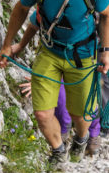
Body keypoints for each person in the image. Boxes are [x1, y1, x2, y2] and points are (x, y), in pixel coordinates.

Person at [0, 0, 109, 169]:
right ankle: (59, 151)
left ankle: (81, 138)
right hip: (50, 53)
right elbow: (22, 11)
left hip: (82, 57)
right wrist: (10, 45)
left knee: (81, 116)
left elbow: (107, 15)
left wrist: (105, 51)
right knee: (42, 113)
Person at [12, 18, 103, 156]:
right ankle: (64, 134)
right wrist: (41, 79)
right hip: (56, 52)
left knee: (87, 96)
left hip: (88, 49)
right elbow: (37, 20)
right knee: (63, 97)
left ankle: (91, 134)